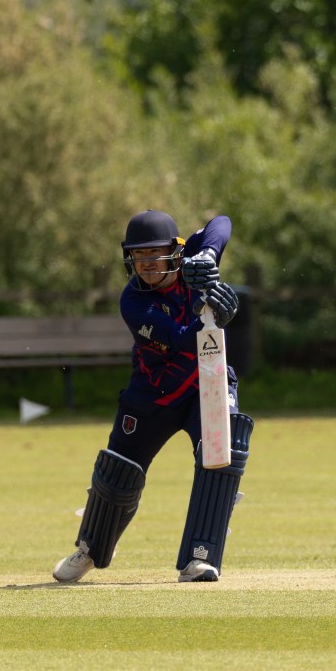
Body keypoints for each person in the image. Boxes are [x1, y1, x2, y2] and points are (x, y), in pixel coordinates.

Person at [53, 209, 254, 583]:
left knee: (222, 452)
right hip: (152, 396)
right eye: (139, 255)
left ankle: (200, 557)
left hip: (206, 385)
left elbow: (222, 223)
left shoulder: (192, 258)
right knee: (118, 474)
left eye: (155, 254)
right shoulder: (133, 301)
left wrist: (208, 255)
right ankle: (92, 549)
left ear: (176, 251)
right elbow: (181, 340)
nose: (146, 263)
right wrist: (211, 314)